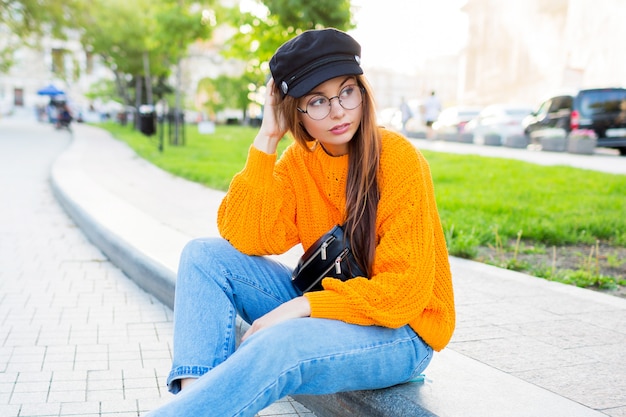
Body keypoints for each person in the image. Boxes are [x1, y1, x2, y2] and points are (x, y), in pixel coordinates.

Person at [145, 28, 455, 417]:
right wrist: (267, 139)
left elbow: (402, 295)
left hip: (402, 334)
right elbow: (247, 235)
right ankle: (196, 400)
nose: (338, 110)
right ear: (296, 113)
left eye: (346, 91)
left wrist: (297, 308)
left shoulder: (398, 160)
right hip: (332, 301)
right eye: (317, 101)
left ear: (362, 92)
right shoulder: (299, 162)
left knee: (279, 341)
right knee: (203, 256)